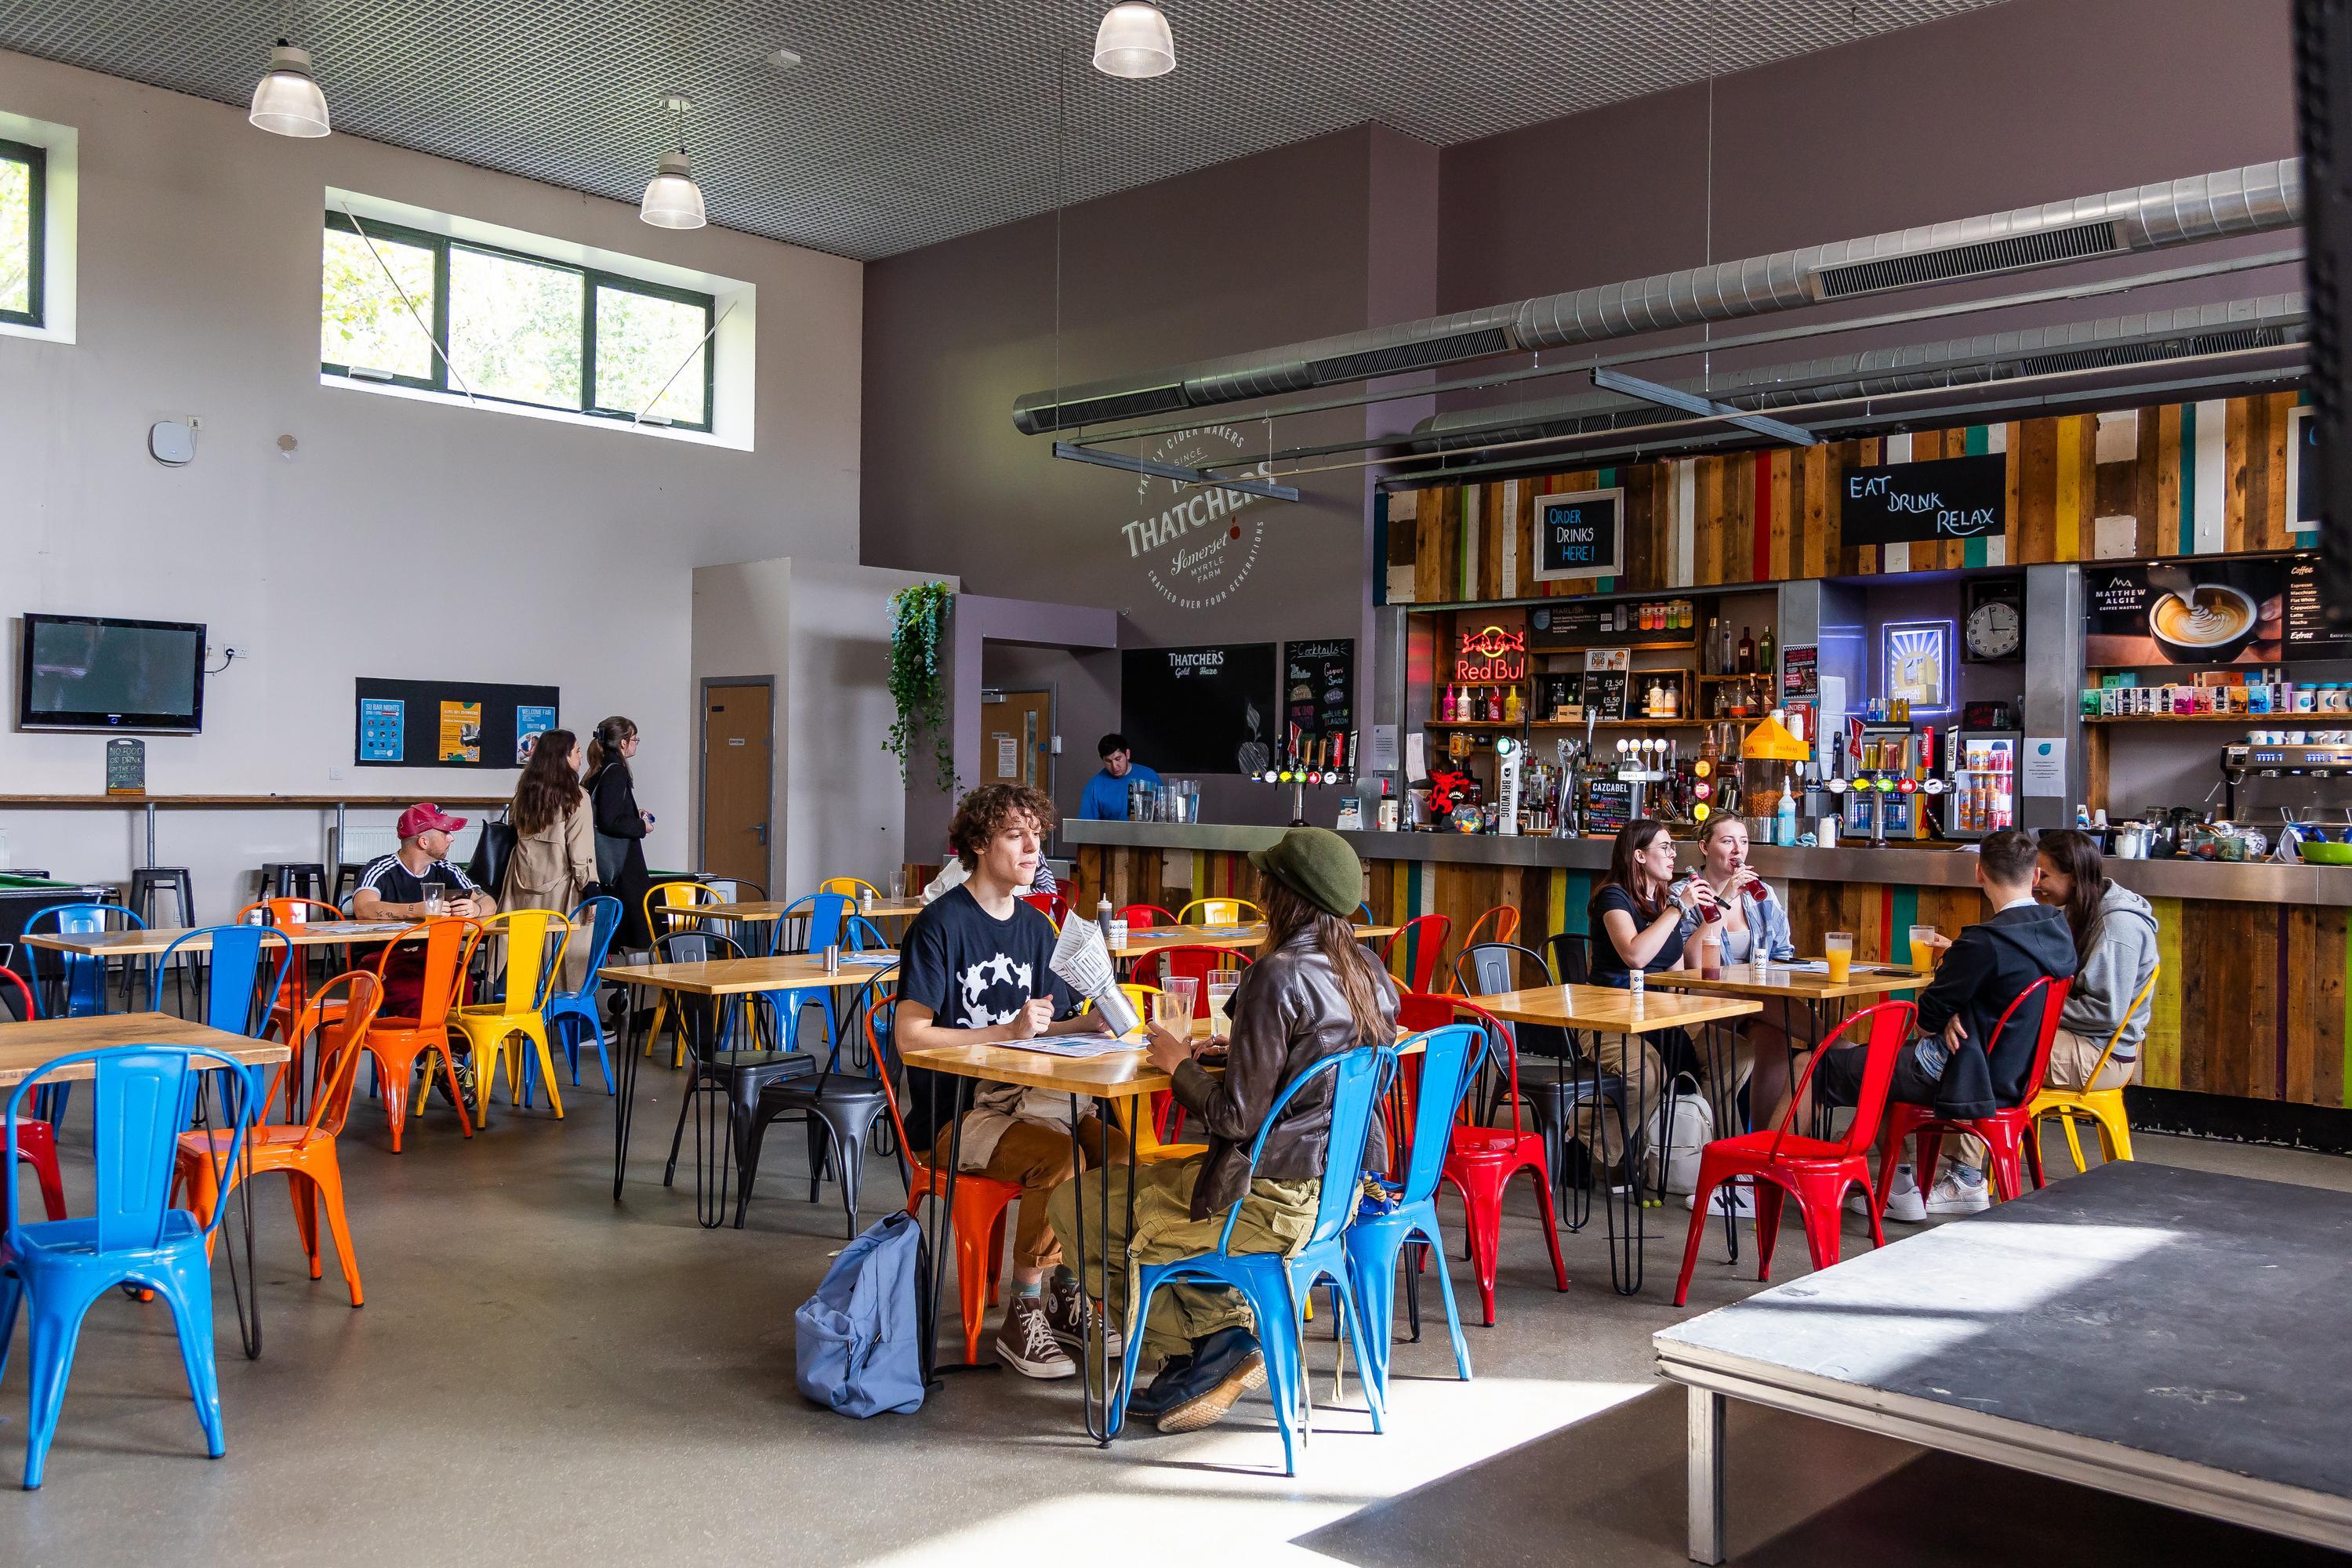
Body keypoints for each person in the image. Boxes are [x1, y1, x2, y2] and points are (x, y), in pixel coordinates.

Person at [1047, 825, 1397, 1434]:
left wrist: (1178, 1065)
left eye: (1266, 882)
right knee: (1141, 1186)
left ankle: (1214, 1340)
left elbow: (1238, 1120)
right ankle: (1209, 1343)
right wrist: (1235, 1047)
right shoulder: (1367, 969)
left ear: (1283, 893)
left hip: (1265, 1199)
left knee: (1077, 1204)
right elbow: (1320, 1072)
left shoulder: (1278, 973)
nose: (1260, 892)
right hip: (1336, 1196)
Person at [892, 783, 1129, 1380]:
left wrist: (1090, 1022)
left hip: (1035, 1102)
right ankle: (1022, 1311)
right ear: (978, 843)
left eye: (1037, 835)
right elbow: (909, 1037)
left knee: (1118, 1152)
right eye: (1015, 835)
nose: (1033, 849)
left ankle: (1068, 1291)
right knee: (1060, 1159)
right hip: (955, 1118)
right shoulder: (940, 927)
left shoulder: (1035, 927)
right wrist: (1004, 1028)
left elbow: (1043, 1029)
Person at [1807, 827, 2076, 1221]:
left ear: (1979, 872)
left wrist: (1950, 1012)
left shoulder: (1983, 943)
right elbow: (1995, 994)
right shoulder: (2057, 931)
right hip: (2018, 1073)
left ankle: (1772, 1182)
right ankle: (1898, 1186)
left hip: (1964, 1073)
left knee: (1815, 1066)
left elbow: (1926, 1022)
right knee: (1875, 1061)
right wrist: (1958, 1011)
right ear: (2035, 876)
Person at [353, 803, 499, 1105]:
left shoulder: (446, 869)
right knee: (413, 987)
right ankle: (432, 1059)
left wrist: (476, 908)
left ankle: (450, 1059)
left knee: (463, 982)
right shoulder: (381, 868)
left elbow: (489, 901)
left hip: (432, 955)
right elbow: (363, 907)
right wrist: (416, 911)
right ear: (423, 841)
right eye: (445, 833)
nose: (451, 838)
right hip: (385, 959)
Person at [2033, 829, 2159, 1098]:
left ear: (2075, 877)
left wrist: (2035, 1005)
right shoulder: (2078, 908)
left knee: (1980, 1051)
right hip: (2080, 1040)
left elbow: (2105, 1013)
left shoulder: (2116, 927)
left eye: (2043, 876)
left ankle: (1993, 1139)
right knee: (1978, 1039)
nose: (2035, 883)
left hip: (2103, 1056)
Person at [502, 728, 599, 983]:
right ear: (564, 757)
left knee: (525, 959)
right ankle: (563, 1018)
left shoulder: (524, 795)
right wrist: (591, 892)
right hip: (562, 889)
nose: (581, 758)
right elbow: (581, 853)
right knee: (563, 964)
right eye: (577, 752)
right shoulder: (577, 798)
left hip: (520, 884)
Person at [586, 716, 655, 949]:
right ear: (623, 743)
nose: (635, 743)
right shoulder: (616, 771)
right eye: (634, 739)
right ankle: (635, 981)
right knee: (636, 928)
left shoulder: (597, 769)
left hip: (606, 859)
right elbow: (609, 821)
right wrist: (640, 826)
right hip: (621, 862)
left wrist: (633, 813)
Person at [1078, 732, 1160, 820]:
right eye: (1108, 761)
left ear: (1127, 754)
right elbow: (1086, 826)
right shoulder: (1094, 787)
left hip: (1146, 832)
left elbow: (1165, 812)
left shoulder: (1149, 776)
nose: (1114, 766)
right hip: (1110, 833)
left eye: (1118, 759)